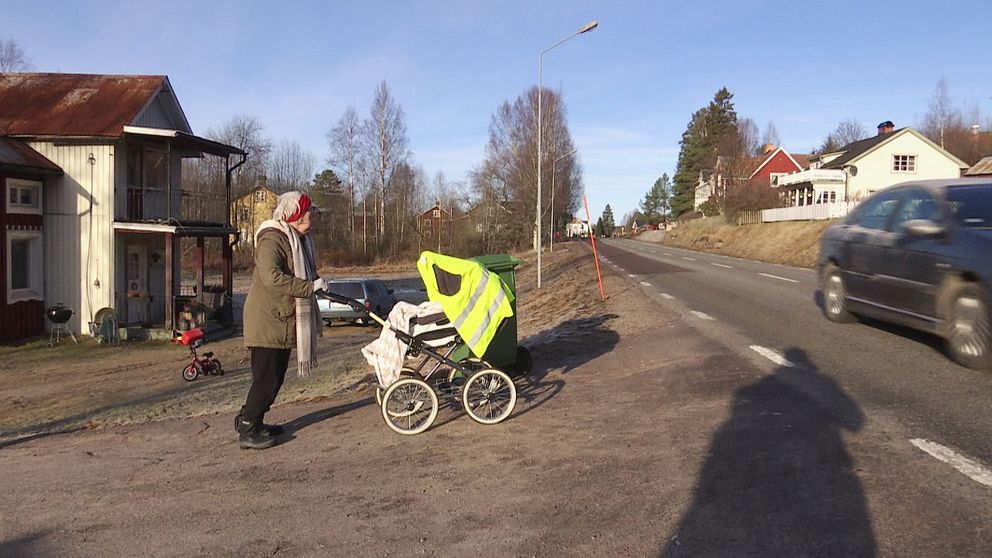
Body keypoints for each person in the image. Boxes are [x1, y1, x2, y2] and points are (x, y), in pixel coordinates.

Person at [236, 191, 328, 450]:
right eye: (309, 211)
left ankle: (253, 420)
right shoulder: (272, 239)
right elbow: (271, 277)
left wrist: (318, 283)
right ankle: (247, 427)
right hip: (267, 320)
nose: (313, 215)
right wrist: (310, 287)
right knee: (266, 379)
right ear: (296, 214)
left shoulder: (300, 240)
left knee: (272, 378)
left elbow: (304, 272)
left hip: (281, 319)